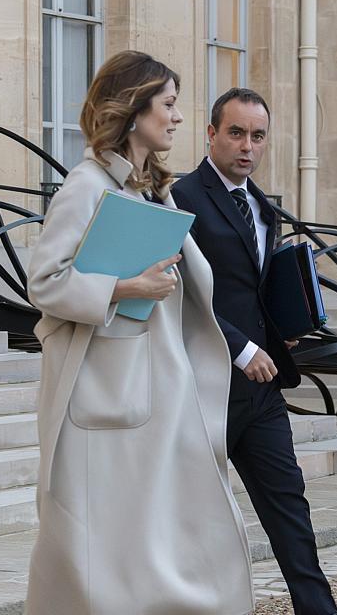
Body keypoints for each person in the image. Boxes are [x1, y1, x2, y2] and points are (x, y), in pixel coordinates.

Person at [23, 51, 254, 615]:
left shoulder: (152, 188)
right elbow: (44, 283)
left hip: (159, 386)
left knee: (163, 530)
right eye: (168, 105)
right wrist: (125, 287)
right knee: (107, 543)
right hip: (109, 391)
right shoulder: (85, 185)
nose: (177, 117)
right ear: (134, 109)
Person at [171, 88, 337, 615]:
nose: (248, 146)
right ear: (211, 133)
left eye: (258, 136)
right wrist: (241, 346)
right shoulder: (180, 198)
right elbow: (178, 293)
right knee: (191, 522)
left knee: (291, 510)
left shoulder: (263, 205)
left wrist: (285, 325)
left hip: (261, 389)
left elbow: (254, 286)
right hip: (203, 385)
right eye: (237, 133)